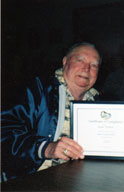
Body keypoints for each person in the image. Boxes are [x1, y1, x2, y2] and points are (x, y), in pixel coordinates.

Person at [1, 42, 102, 181]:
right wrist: (46, 148)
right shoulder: (36, 90)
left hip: (80, 179)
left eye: (94, 65)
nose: (87, 68)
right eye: (80, 60)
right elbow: (4, 133)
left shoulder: (100, 104)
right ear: (65, 62)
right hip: (33, 180)